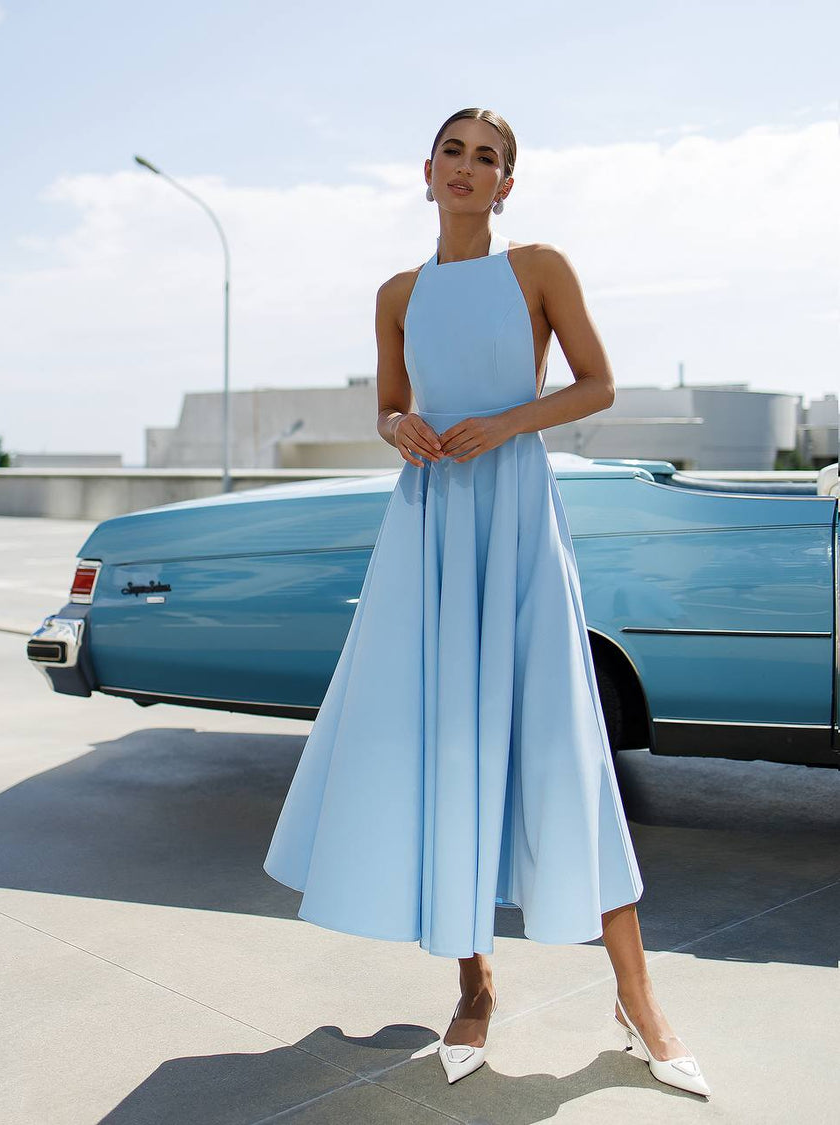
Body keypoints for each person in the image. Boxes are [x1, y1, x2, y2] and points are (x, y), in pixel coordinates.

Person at [263, 107, 711, 1098]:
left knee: (561, 743)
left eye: (490, 159)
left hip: (512, 518)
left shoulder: (539, 268)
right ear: (426, 173)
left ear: (509, 184)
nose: (470, 169)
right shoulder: (395, 293)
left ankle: (639, 1002)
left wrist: (505, 423)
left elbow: (595, 385)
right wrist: (403, 430)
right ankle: (474, 988)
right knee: (445, 748)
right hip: (428, 526)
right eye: (455, 154)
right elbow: (388, 404)